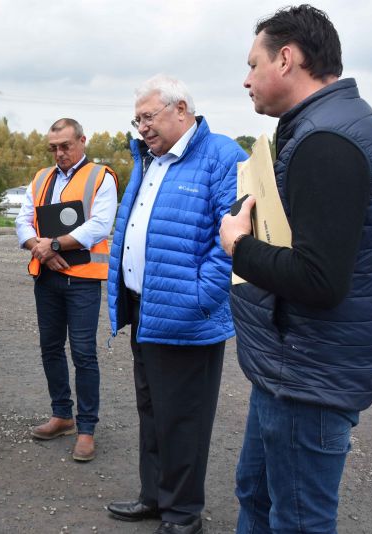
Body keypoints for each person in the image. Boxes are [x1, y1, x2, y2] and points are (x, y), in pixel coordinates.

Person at [219, 5, 372, 532]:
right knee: (256, 495)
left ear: (286, 59)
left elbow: (319, 279)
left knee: (299, 520)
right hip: (292, 367)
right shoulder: (337, 125)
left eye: (252, 63)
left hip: (308, 376)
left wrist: (237, 245)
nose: (246, 79)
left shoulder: (326, 140)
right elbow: (366, 244)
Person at [106, 75, 248, 534]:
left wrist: (200, 297)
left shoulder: (222, 157)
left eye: (148, 116)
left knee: (184, 419)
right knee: (152, 410)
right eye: (138, 119)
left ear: (181, 109)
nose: (142, 126)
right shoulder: (148, 159)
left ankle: (184, 514)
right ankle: (155, 496)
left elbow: (233, 239)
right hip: (144, 307)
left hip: (187, 313)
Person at [15, 118, 118, 462]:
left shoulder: (101, 177)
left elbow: (100, 225)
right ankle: (62, 415)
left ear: (82, 141)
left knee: (84, 352)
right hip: (47, 277)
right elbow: (22, 220)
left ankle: (87, 429)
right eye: (54, 148)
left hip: (83, 279)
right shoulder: (41, 178)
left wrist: (53, 246)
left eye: (65, 146)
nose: (59, 153)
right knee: (50, 347)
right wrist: (38, 248)